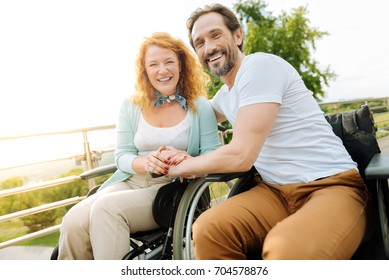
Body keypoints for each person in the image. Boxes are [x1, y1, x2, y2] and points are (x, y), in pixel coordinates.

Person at [163, 4, 370, 260]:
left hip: (329, 186)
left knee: (286, 250)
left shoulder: (259, 66)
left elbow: (241, 155)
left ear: (238, 35)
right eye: (200, 43)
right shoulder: (225, 96)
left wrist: (183, 166)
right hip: (274, 192)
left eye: (215, 35)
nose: (209, 47)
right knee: (208, 229)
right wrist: (160, 153)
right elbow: (188, 120)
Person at [57, 32, 220, 260]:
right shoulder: (131, 105)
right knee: (73, 222)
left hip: (171, 189)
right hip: (130, 180)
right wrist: (145, 162)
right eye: (153, 64)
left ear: (181, 65)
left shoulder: (199, 106)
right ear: (145, 70)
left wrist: (187, 160)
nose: (162, 70)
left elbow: (213, 154)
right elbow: (121, 155)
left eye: (169, 62)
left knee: (106, 210)